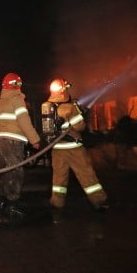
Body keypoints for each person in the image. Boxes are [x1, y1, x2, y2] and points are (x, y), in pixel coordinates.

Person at [46, 78, 108, 211]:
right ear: (64, 91)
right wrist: (79, 113)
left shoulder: (47, 106)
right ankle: (99, 200)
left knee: (59, 177)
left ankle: (57, 201)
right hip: (73, 147)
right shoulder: (70, 107)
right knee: (86, 174)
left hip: (57, 147)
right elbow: (80, 127)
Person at [0, 72, 41, 219]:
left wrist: (1, 134)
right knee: (15, 172)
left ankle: (2, 200)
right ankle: (12, 205)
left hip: (2, 141)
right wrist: (35, 139)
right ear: (17, 85)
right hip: (14, 142)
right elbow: (24, 121)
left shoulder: (0, 102)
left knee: (3, 170)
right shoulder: (17, 99)